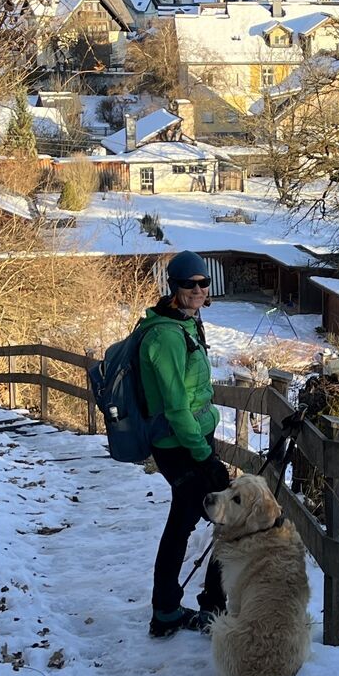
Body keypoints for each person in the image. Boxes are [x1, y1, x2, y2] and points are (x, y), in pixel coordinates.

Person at [137, 250, 231, 636]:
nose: (197, 289)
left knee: (187, 521)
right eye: (188, 283)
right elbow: (176, 407)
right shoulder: (165, 336)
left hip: (191, 440)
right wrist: (205, 456)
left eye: (203, 282)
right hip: (180, 445)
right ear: (173, 286)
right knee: (224, 517)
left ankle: (171, 611)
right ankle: (205, 608)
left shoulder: (186, 323)